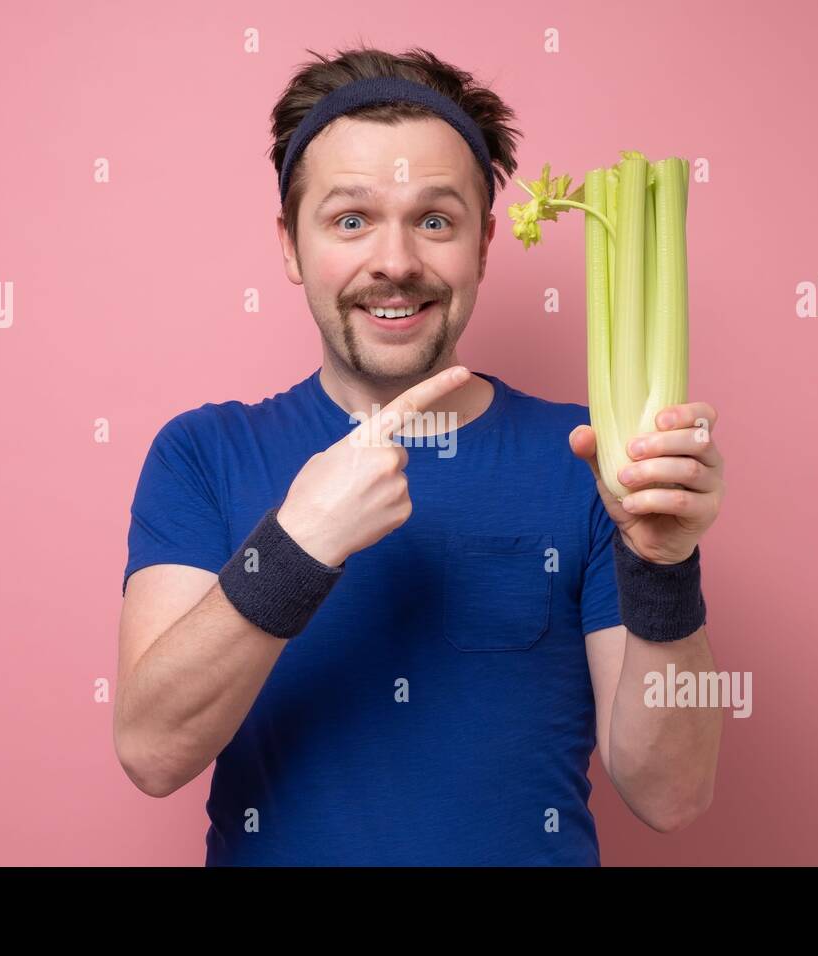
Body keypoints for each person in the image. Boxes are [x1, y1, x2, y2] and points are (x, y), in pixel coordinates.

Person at [114, 45, 726, 866]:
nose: (395, 262)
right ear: (292, 248)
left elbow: (672, 796)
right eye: (351, 219)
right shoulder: (203, 454)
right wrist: (297, 546)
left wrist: (663, 567)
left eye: (435, 220)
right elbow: (152, 751)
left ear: (481, 247)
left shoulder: (590, 460)